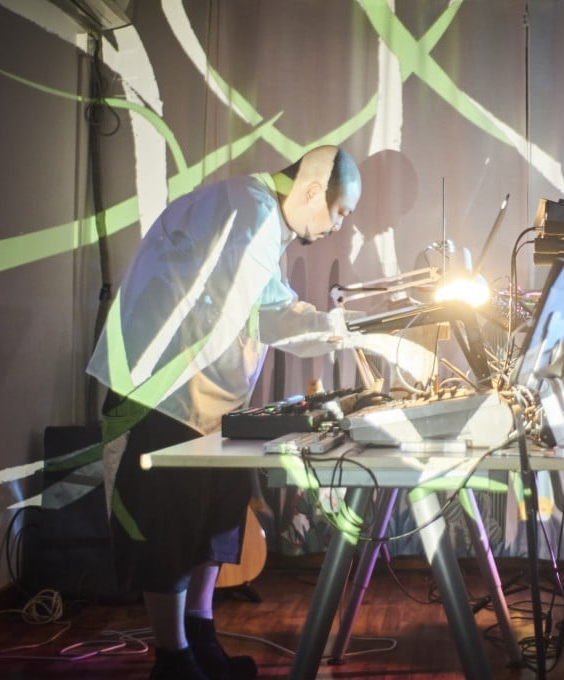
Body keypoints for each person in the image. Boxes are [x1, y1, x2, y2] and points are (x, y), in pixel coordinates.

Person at [87, 145, 362, 680]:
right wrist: (340, 329)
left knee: (215, 520)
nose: (338, 226)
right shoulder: (246, 210)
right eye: (340, 212)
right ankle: (173, 659)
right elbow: (262, 314)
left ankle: (202, 637)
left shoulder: (257, 217)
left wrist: (340, 330)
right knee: (166, 532)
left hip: (208, 405)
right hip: (157, 398)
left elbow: (266, 310)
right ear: (310, 193)